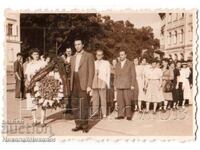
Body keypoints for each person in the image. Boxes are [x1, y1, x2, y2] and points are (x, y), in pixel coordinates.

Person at [70, 38, 95, 133]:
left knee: (83, 105)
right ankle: (78, 124)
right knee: (75, 104)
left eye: (79, 44)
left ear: (83, 45)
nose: (77, 46)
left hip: (84, 84)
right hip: (74, 83)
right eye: (75, 45)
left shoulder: (89, 56)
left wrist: (89, 85)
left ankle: (85, 126)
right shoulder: (72, 57)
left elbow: (91, 71)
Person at [114, 50, 136, 120]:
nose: (121, 56)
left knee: (127, 100)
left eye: (122, 55)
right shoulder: (117, 64)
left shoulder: (130, 63)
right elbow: (115, 75)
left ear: (125, 55)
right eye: (120, 55)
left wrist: (132, 84)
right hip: (119, 85)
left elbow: (133, 75)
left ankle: (129, 115)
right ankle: (120, 114)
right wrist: (115, 84)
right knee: (120, 101)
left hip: (127, 84)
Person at [92, 49, 110, 118]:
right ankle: (95, 112)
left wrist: (106, 83)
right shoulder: (94, 63)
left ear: (102, 55)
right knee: (95, 98)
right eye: (97, 55)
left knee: (103, 98)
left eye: (100, 55)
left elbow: (108, 74)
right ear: (96, 55)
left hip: (102, 81)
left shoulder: (106, 63)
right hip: (94, 81)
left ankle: (104, 113)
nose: (98, 56)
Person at [61, 47, 73, 114]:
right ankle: (67, 108)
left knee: (71, 93)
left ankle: (71, 108)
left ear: (71, 52)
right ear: (65, 52)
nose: (68, 52)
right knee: (66, 93)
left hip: (71, 78)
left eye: (69, 51)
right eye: (67, 51)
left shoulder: (73, 58)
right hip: (65, 78)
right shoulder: (63, 59)